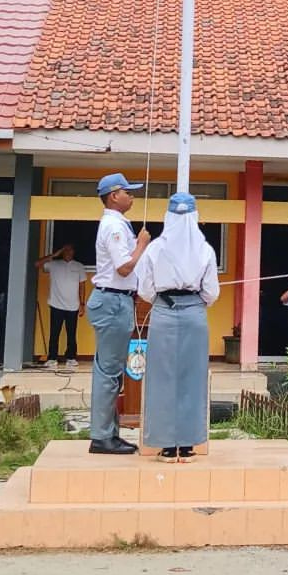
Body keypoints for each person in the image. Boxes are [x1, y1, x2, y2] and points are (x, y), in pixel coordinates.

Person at [137, 192, 220, 460]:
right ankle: (188, 443)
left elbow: (145, 290)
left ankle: (165, 444)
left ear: (169, 217)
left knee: (162, 377)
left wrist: (164, 302)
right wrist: (193, 305)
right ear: (194, 217)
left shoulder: (155, 248)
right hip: (195, 311)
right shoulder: (205, 249)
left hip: (163, 310)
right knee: (192, 378)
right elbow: (211, 292)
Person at [85, 173, 150, 455]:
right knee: (109, 373)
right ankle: (101, 436)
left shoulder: (118, 224)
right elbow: (123, 267)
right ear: (114, 196)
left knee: (110, 372)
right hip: (113, 301)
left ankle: (109, 433)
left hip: (117, 301)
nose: (132, 196)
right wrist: (142, 244)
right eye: (128, 192)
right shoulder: (113, 226)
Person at [36, 243, 88, 369]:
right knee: (54, 332)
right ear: (62, 251)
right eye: (66, 250)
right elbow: (37, 264)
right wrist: (54, 255)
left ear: (74, 252)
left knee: (71, 333)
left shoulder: (79, 266)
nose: (68, 252)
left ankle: (71, 357)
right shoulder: (54, 264)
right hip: (56, 304)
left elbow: (82, 286)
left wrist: (82, 304)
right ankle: (52, 357)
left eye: (70, 250)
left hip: (73, 305)